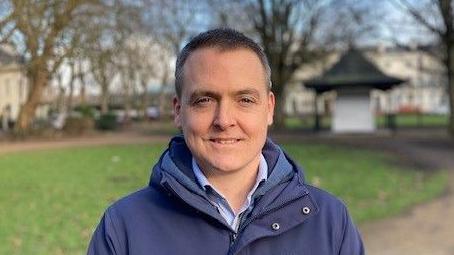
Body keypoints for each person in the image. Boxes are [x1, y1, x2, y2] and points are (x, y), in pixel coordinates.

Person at [88, 28, 364, 255]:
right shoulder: (122, 227)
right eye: (204, 100)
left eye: (245, 100)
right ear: (178, 111)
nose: (224, 120)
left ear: (269, 109)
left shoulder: (329, 221)